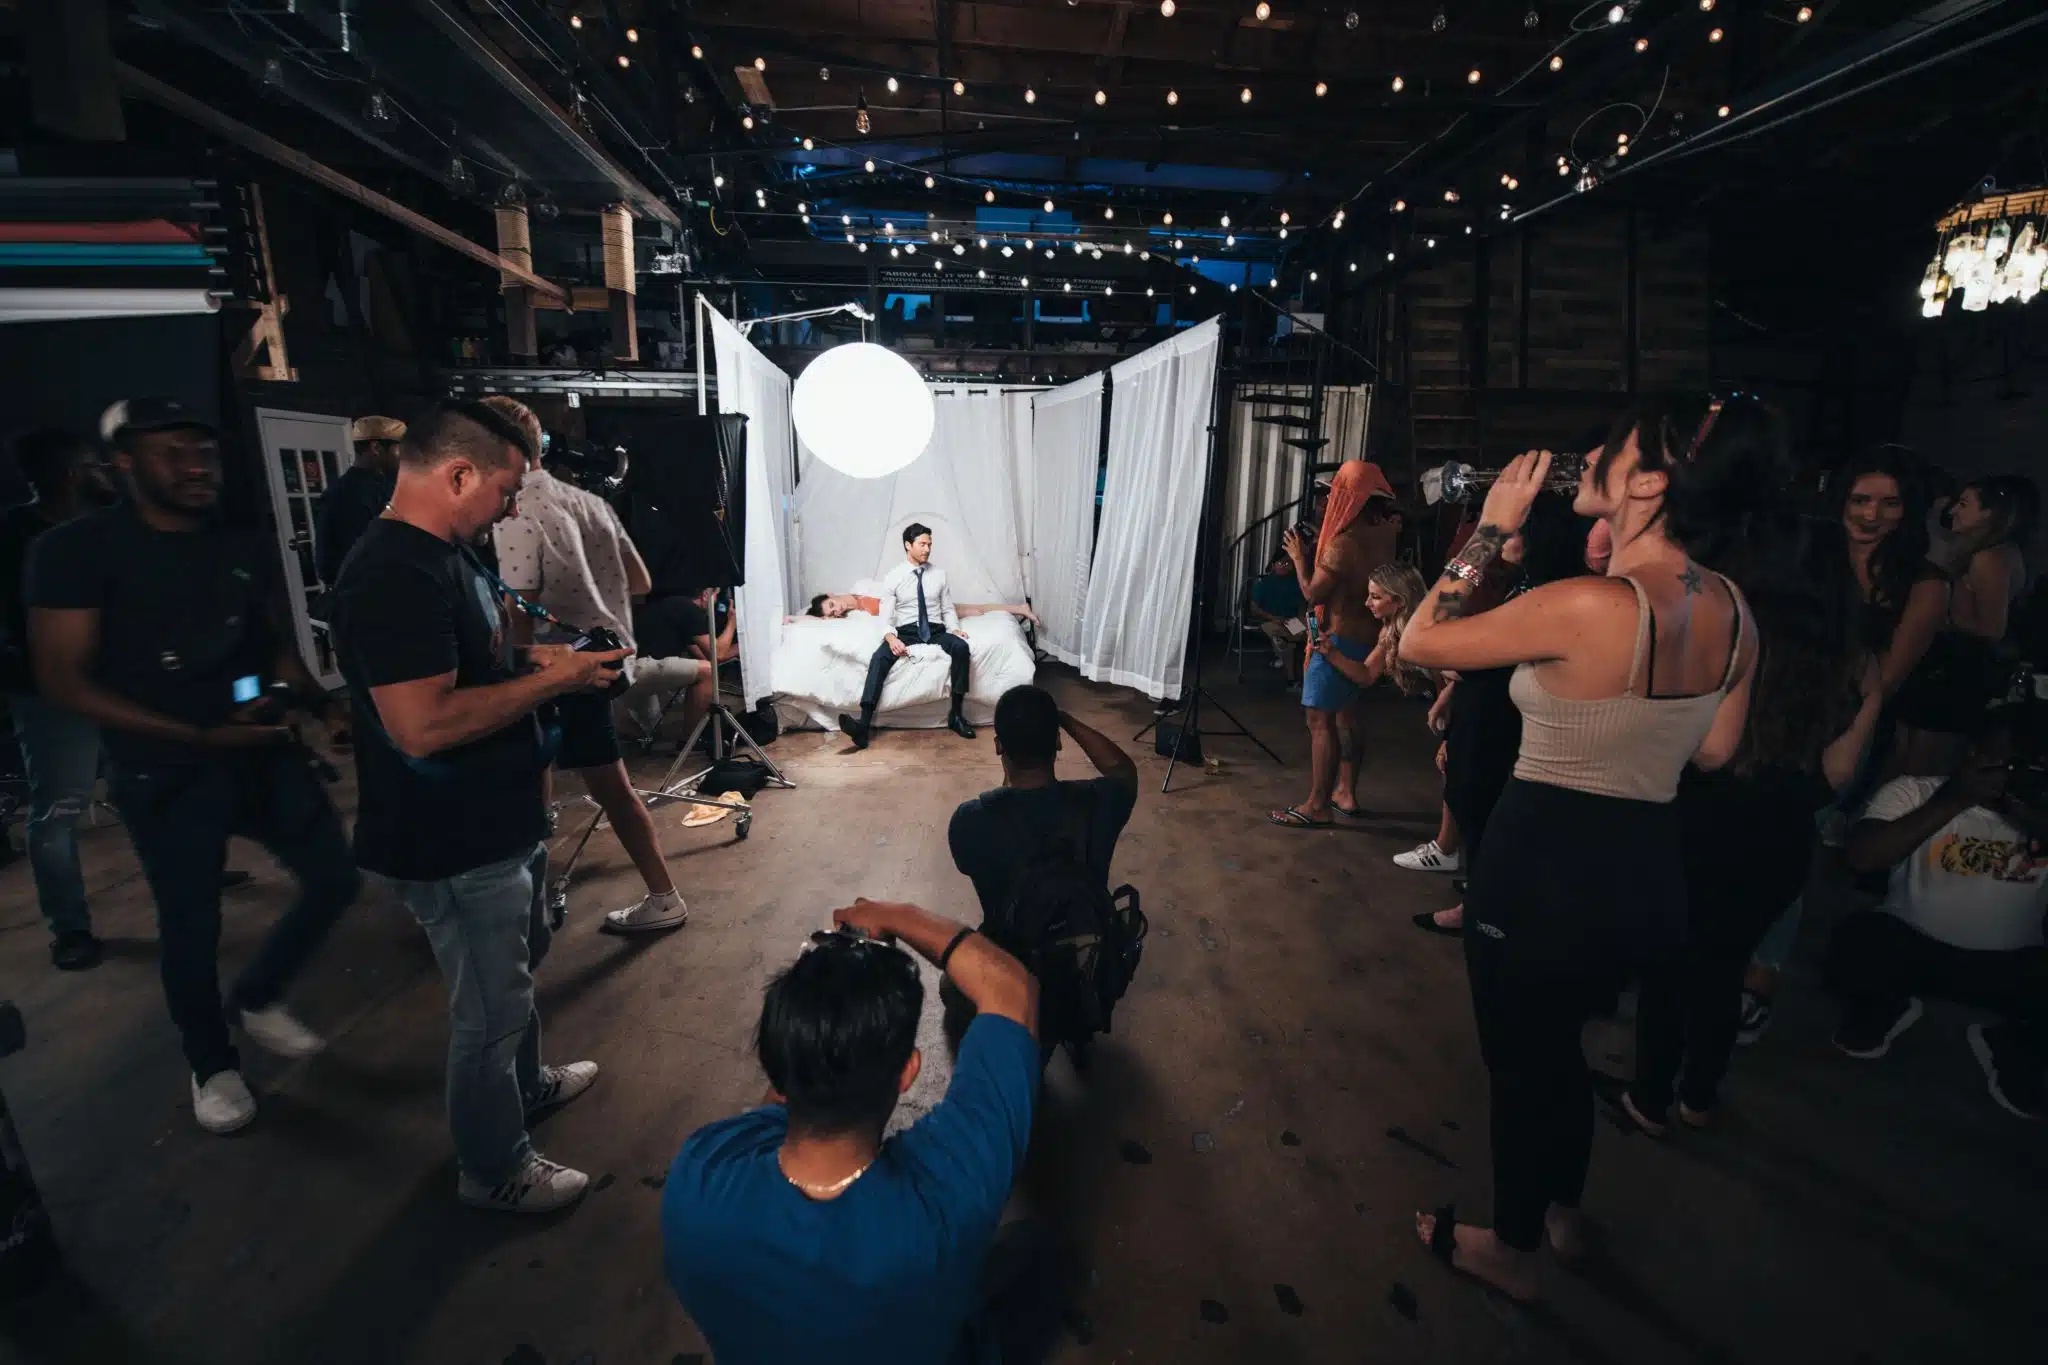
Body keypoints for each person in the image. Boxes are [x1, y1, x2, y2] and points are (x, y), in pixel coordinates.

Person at [1398, 394, 1773, 1304]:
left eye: (1611, 445)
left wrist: (1486, 531)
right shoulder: (1731, 605)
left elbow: (1419, 639)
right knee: (1562, 1051)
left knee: (1520, 1066)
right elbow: (1718, 750)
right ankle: (1561, 1208)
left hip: (1541, 870)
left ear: (1648, 481)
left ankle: (1513, 1246)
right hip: (1643, 870)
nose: (1589, 454)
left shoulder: (1590, 605)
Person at [26, 398, 361, 1134]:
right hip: (164, 769)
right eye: (173, 451)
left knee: (336, 877)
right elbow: (64, 679)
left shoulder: (233, 540)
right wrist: (198, 733)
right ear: (123, 463)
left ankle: (259, 992)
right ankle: (211, 1064)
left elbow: (268, 641)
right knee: (191, 925)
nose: (197, 465)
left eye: (204, 452)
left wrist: (316, 704)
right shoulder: (74, 552)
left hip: (259, 749)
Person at [328, 401, 624, 1211]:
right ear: (457, 474)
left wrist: (543, 658)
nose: (510, 507)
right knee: (490, 1012)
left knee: (516, 983)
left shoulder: (444, 555)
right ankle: (493, 1168)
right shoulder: (392, 572)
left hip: (498, 821)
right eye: (503, 489)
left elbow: (470, 659)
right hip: (449, 838)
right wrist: (554, 682)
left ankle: (524, 1088)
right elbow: (421, 724)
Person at [661, 897, 1041, 1365]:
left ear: (777, 1055)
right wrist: (899, 916)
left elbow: (780, 1098)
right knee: (1032, 1250)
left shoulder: (698, 1179)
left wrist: (819, 1007)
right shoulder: (945, 1203)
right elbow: (1012, 991)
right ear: (908, 1073)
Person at [1617, 497, 1884, 1135]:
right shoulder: (1857, 663)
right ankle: (1700, 1098)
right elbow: (1841, 775)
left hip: (1701, 825)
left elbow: (1689, 745)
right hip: (1782, 844)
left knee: (1670, 973)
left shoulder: (1729, 637)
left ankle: (1649, 1100)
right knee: (1726, 969)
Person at [1738, 451, 1949, 1043]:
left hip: (1844, 728)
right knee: (1745, 839)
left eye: (1888, 503)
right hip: (1770, 718)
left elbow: (1887, 678)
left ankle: (1761, 976)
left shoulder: (1925, 582)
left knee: (1794, 847)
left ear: (1907, 511)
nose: (1871, 514)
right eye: (1861, 500)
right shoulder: (1812, 553)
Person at [483, 395, 685, 934]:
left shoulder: (515, 512)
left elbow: (518, 616)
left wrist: (516, 663)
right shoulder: (588, 501)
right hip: (610, 654)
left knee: (606, 785)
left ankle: (662, 897)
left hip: (569, 668)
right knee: (551, 775)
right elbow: (640, 583)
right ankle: (539, 889)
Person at [1830, 707, 2047, 1119]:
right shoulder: (1915, 791)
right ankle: (1883, 1007)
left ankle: (2015, 1050)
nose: (2005, 773)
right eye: (1999, 760)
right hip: (1914, 944)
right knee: (1858, 942)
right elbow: (1861, 857)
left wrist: (2030, 814)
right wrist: (1955, 799)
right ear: (1972, 754)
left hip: (2012, 965)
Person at [1409, 494, 1599, 935]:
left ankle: (1485, 910)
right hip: (1496, 722)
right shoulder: (1535, 586)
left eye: (1515, 529)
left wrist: (1482, 538)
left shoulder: (1546, 597)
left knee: (1489, 820)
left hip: (1504, 731)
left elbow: (1425, 636)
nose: (1506, 538)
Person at [2, 429, 109, 969]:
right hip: (53, 694)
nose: (99, 470)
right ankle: (70, 928)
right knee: (60, 810)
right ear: (69, 472)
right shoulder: (14, 533)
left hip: (119, 685)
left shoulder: (100, 525)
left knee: (155, 788)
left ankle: (194, 876)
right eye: (89, 462)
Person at [1269, 461, 1400, 828]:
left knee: (1319, 721)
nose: (1328, 500)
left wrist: (1298, 558)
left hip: (1336, 640)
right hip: (1367, 638)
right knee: (1349, 716)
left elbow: (1312, 594)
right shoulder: (1386, 534)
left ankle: (1317, 805)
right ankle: (1346, 792)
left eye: (1334, 494)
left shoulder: (1342, 544)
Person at [950, 685, 1138, 926]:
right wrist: (1064, 719)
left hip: (1005, 959)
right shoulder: (1097, 801)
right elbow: (1122, 770)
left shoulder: (970, 820)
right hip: (1086, 954)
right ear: (1058, 741)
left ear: (998, 746)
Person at [839, 523, 977, 748]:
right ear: (907, 545)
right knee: (879, 658)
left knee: (961, 647)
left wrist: (954, 629)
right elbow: (886, 615)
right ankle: (863, 726)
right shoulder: (894, 576)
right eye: (922, 544)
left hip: (935, 629)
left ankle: (957, 716)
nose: (927, 549)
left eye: (929, 544)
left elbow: (947, 608)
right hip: (907, 631)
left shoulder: (940, 575)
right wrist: (891, 637)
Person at [315, 415, 404, 584]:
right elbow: (328, 565)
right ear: (376, 448)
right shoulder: (343, 495)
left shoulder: (389, 485)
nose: (403, 456)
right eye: (399, 449)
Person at [808, 590, 1039, 625]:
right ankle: (1018, 608)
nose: (836, 610)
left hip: (915, 604)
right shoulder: (856, 614)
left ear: (830, 595)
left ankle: (1019, 608)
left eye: (831, 605)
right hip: (913, 612)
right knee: (974, 611)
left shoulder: (859, 591)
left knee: (974, 610)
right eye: (832, 613)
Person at [1247, 552, 1307, 683]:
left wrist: (1300, 619)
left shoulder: (1296, 583)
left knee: (1303, 633)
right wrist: (1274, 618)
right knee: (1280, 637)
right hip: (1268, 621)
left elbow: (1302, 605)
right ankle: (1291, 678)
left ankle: (1292, 671)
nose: (1285, 566)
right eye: (1281, 563)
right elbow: (1255, 609)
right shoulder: (1263, 583)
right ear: (1273, 565)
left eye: (1288, 563)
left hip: (1290, 621)